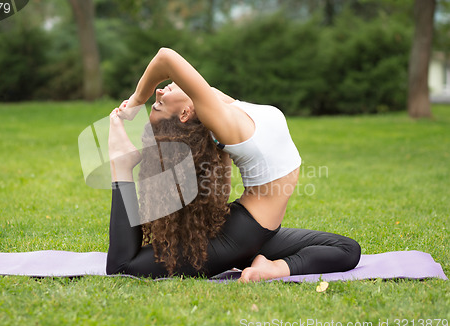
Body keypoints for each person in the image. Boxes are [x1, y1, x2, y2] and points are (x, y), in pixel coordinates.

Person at [106, 48, 360, 281]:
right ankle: (122, 163)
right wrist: (138, 100)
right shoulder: (221, 119)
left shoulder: (220, 108)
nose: (158, 92)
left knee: (347, 250)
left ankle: (272, 269)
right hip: (241, 235)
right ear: (184, 114)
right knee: (122, 267)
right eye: (160, 104)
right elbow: (165, 58)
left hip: (253, 232)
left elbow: (177, 70)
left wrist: (141, 100)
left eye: (156, 100)